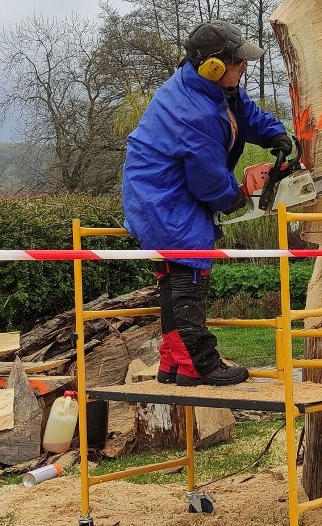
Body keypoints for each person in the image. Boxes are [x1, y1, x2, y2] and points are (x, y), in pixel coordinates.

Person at [122, 19, 292, 387]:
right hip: (161, 194)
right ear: (213, 66)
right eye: (237, 61)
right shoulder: (191, 110)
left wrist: (274, 133)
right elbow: (208, 179)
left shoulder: (217, 89)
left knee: (175, 277)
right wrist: (234, 198)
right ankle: (197, 363)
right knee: (188, 271)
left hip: (173, 188)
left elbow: (245, 113)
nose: (244, 66)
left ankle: (173, 362)